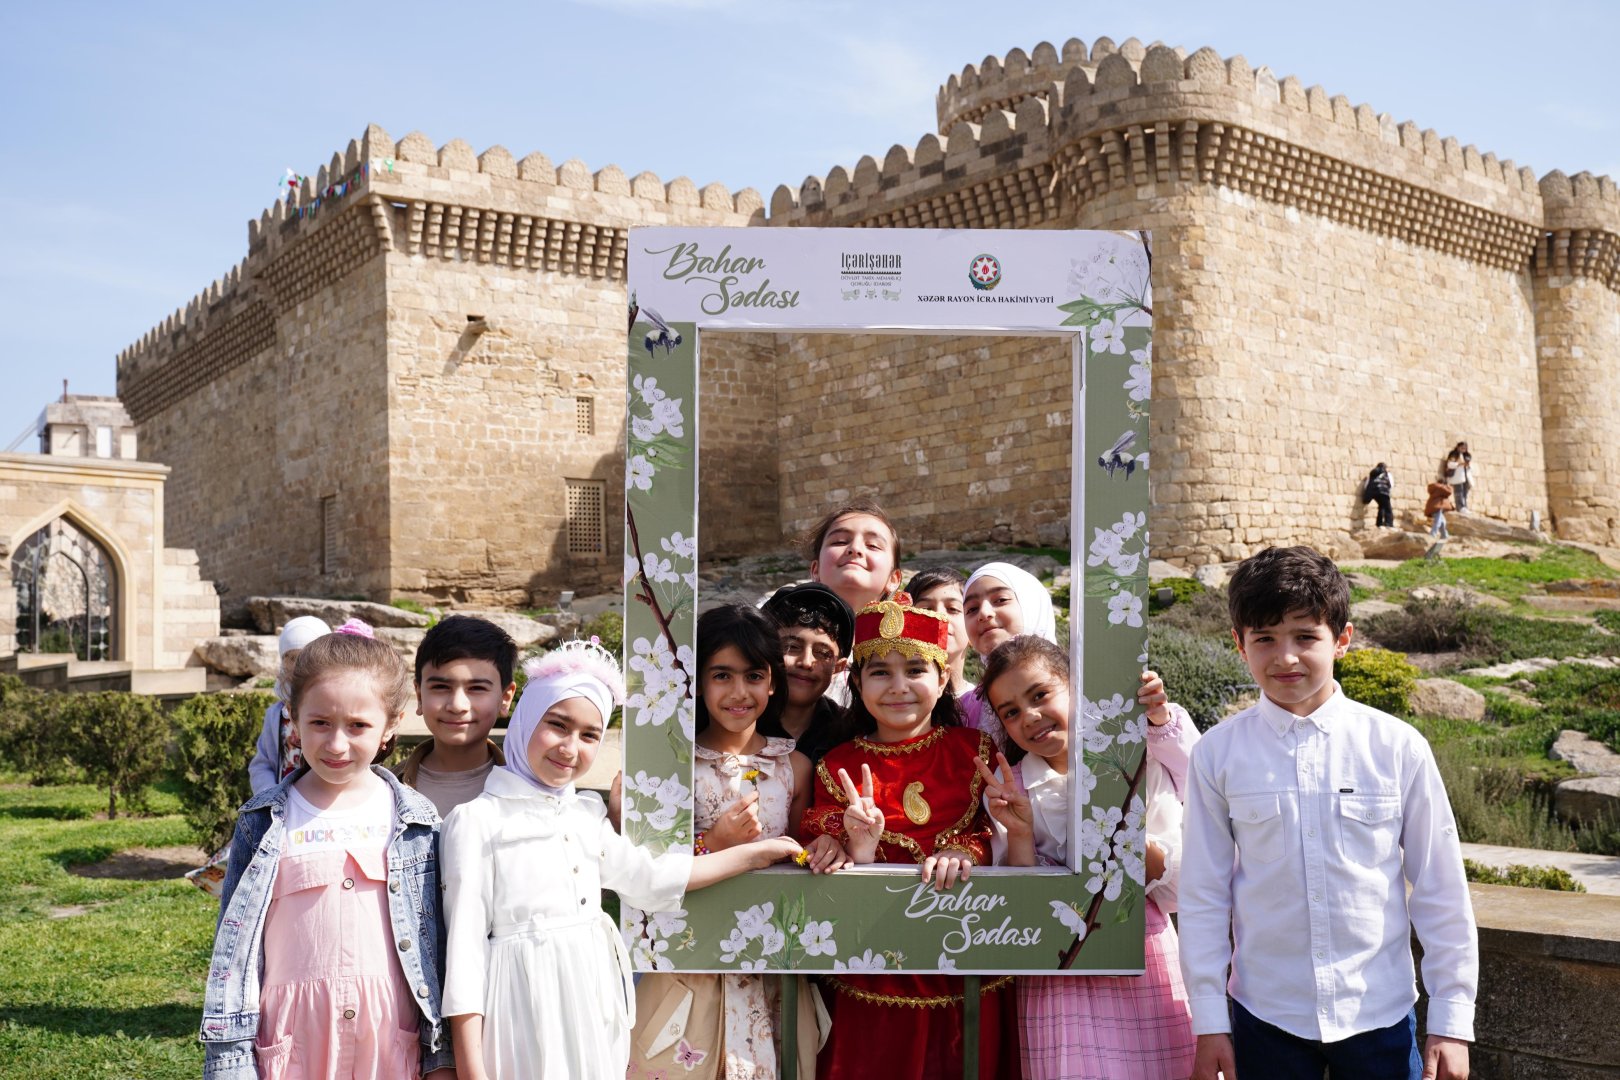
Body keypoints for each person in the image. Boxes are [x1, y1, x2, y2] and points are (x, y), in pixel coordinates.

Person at [440, 639, 802, 1080]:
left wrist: (754, 854)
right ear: (525, 719)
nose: (570, 748)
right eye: (557, 724)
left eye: (590, 734)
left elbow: (651, 877)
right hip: (521, 1007)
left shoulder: (584, 813)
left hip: (593, 999)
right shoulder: (476, 820)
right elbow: (463, 959)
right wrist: (471, 1072)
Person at [1180, 546, 1477, 1080]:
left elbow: (1440, 887)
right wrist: (1209, 1023)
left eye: (1305, 637)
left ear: (1342, 640)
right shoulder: (1217, 755)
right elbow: (1204, 895)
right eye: (1264, 639)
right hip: (1265, 1017)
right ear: (1238, 644)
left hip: (1380, 1015)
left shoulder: (1397, 746)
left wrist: (1452, 1020)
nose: (1285, 657)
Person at [200, 624, 455, 1080]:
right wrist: (232, 1060)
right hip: (292, 1045)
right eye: (320, 723)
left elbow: (435, 951)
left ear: (391, 724)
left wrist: (440, 1060)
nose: (337, 744)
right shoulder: (262, 822)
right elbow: (235, 953)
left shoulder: (417, 823)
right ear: (293, 718)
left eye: (358, 725)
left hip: (389, 1046)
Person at [800, 593, 1019, 1080]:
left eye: (916, 670)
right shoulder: (835, 765)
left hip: (968, 968)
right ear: (856, 682)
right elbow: (821, 846)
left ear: (943, 679)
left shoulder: (976, 750)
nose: (899, 687)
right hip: (872, 975)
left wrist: (969, 849)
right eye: (880, 672)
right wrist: (848, 845)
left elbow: (1000, 830)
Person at [975, 636, 1197, 1080]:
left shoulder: (1137, 756)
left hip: (1142, 950)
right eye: (1011, 712)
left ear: (1075, 685)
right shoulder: (1008, 787)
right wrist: (1018, 832)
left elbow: (1200, 787)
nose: (1031, 717)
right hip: (1057, 971)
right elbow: (1021, 900)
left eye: (1040, 695)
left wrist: (1141, 857)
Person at [629, 605, 818, 1079]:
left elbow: (800, 850)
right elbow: (644, 865)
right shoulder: (670, 766)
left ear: (773, 682)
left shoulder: (793, 768)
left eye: (753, 675)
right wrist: (711, 842)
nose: (739, 692)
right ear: (697, 681)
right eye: (721, 675)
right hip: (690, 963)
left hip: (773, 970)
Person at [394, 615, 518, 817]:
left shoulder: (529, 790)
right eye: (441, 687)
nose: (457, 705)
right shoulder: (384, 789)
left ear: (505, 698)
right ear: (419, 696)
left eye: (477, 688)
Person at [961, 561, 1059, 749]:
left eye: (1000, 600)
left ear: (1031, 604)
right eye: (972, 609)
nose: (984, 613)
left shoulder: (1079, 685)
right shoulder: (966, 710)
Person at [762, 581, 854, 766]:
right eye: (792, 647)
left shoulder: (848, 731)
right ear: (765, 650)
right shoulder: (739, 720)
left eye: (823, 653)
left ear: (838, 666)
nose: (805, 662)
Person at [247, 615, 331, 793]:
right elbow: (262, 764)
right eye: (291, 657)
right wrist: (269, 796)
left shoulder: (334, 711)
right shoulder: (276, 714)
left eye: (306, 656)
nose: (297, 665)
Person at [905, 566, 982, 729]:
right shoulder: (896, 698)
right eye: (926, 609)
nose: (940, 617)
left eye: (953, 609)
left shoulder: (986, 706)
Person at [803, 498, 903, 614]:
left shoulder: (913, 632)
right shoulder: (784, 628)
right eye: (839, 542)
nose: (855, 548)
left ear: (893, 579)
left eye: (873, 545)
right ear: (816, 570)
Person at [1443, 442, 1473, 512]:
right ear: (1458, 447)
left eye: (1465, 448)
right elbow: (1450, 464)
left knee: (1464, 493)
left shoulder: (1466, 456)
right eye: (1462, 447)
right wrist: (1459, 464)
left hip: (1466, 477)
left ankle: (1464, 506)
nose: (1463, 449)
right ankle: (1460, 507)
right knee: (1458, 492)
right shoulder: (1454, 454)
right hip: (1457, 477)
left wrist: (1468, 465)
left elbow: (1470, 466)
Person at [1363, 463, 1394, 529]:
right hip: (1383, 492)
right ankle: (1389, 524)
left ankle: (1379, 524)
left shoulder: (1373, 474)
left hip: (1374, 493)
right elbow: (1391, 484)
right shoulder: (1387, 474)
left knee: (1381, 506)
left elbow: (1366, 485)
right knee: (1388, 508)